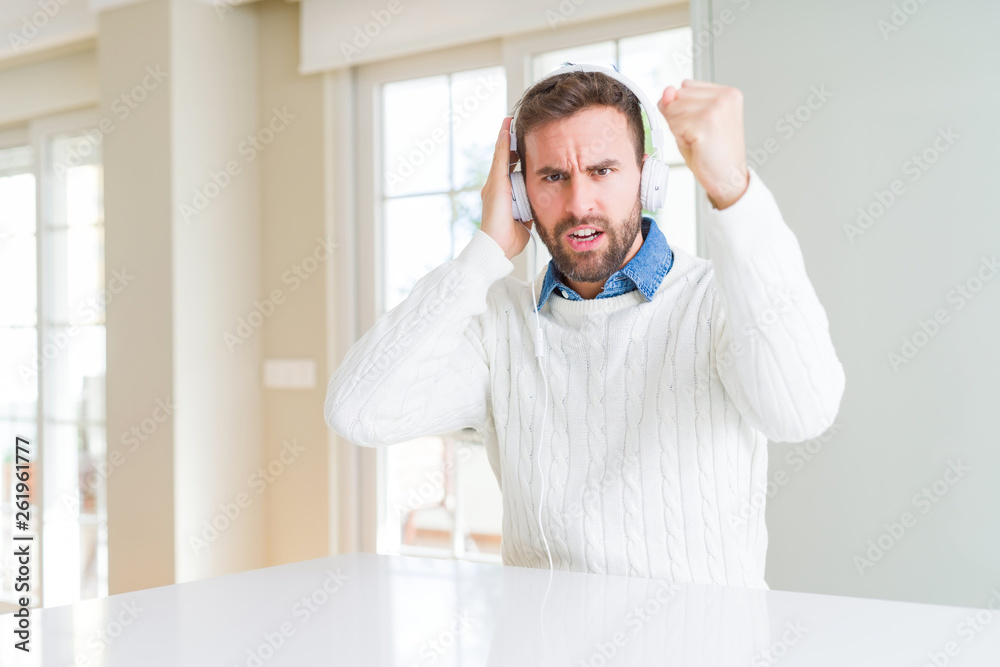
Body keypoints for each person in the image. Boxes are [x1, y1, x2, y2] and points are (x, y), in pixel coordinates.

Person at [324, 70, 845, 589]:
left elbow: (801, 412)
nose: (579, 205)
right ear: (519, 193)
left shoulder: (718, 298)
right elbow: (358, 412)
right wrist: (483, 253)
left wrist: (734, 192)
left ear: (647, 177)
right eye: (552, 176)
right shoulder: (500, 322)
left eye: (602, 170)